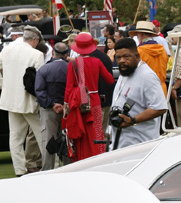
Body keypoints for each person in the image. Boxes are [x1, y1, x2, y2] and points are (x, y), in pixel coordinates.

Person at [0, 26, 45, 176]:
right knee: (41, 135)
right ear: (35, 40)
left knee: (16, 137)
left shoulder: (7, 50)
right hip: (29, 101)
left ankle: (19, 170)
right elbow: (41, 81)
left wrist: (4, 86)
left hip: (12, 100)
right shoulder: (37, 54)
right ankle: (51, 165)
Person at [107, 38, 169, 149]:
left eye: (127, 56)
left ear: (137, 55)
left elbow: (160, 107)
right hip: (121, 143)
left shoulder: (147, 76)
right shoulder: (125, 72)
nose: (122, 61)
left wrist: (133, 120)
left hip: (140, 145)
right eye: (119, 57)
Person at [63, 32, 114, 162]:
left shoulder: (73, 64)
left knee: (81, 133)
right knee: (96, 131)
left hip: (79, 103)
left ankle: (82, 158)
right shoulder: (97, 62)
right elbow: (109, 79)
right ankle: (99, 157)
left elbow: (69, 88)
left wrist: (66, 104)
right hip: (94, 100)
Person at [35, 42, 70, 170]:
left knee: (48, 140)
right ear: (67, 54)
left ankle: (48, 169)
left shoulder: (44, 69)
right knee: (68, 140)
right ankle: (69, 168)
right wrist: (64, 105)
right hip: (68, 109)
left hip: (50, 110)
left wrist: (52, 104)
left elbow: (39, 91)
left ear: (54, 53)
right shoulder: (71, 67)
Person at [130, 20, 170, 100]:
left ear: (141, 34)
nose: (137, 37)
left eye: (137, 35)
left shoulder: (139, 51)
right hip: (162, 90)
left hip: (145, 91)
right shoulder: (163, 49)